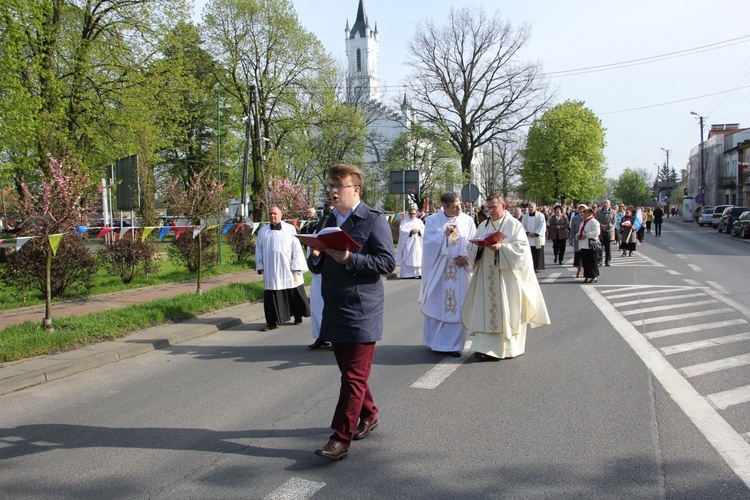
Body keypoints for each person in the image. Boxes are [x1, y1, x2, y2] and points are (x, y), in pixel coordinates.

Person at [308, 163, 395, 461]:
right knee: (350, 374)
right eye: (330, 186)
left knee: (353, 379)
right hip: (334, 307)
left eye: (338, 186)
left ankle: (340, 438)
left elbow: (386, 263)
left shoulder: (373, 220)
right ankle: (369, 413)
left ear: (355, 190)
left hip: (362, 309)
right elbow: (318, 265)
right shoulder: (328, 220)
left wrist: (349, 258)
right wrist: (315, 255)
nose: (333, 191)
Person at [461, 195, 551, 361]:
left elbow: (522, 251)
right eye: (488, 208)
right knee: (485, 310)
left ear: (503, 206)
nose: (491, 211)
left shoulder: (514, 225)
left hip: (506, 277)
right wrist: (479, 247)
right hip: (486, 275)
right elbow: (472, 248)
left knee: (506, 311)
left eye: (494, 207)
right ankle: (485, 347)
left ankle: (508, 348)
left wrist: (501, 248)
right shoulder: (483, 225)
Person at [419, 192, 476, 357]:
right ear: (445, 207)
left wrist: (467, 257)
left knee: (458, 307)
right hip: (440, 272)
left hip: (460, 270)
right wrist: (444, 234)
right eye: (455, 206)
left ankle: (454, 345)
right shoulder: (433, 220)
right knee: (437, 305)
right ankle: (434, 342)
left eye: (460, 205)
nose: (459, 209)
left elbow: (473, 242)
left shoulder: (467, 220)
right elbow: (428, 245)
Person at [255, 206, 311, 331]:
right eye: (270, 214)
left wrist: (296, 265)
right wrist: (260, 266)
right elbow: (259, 249)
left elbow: (296, 248)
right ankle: (271, 322)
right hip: (271, 269)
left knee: (293, 292)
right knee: (271, 296)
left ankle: (298, 315)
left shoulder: (290, 229)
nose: (272, 216)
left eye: (275, 213)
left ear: (281, 215)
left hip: (288, 268)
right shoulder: (263, 231)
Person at [307, 202, 335, 350]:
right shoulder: (318, 225)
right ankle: (320, 336)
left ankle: (333, 337)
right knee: (317, 305)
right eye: (326, 210)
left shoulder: (338, 225)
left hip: (332, 272)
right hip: (318, 272)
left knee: (331, 307)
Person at [394, 208, 424, 278]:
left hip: (418, 243)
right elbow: (402, 231)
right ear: (408, 213)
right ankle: (408, 274)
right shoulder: (404, 222)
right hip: (408, 244)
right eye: (411, 213)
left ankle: (419, 273)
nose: (412, 215)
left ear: (416, 214)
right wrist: (410, 231)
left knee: (419, 258)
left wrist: (419, 231)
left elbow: (424, 229)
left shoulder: (419, 222)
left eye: (414, 213)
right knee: (409, 258)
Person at [576, 207, 601, 283]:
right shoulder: (583, 222)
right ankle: (587, 275)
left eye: (585, 212)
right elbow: (580, 231)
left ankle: (594, 276)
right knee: (585, 262)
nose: (583, 214)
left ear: (589, 213)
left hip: (591, 244)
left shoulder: (594, 221)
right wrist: (578, 236)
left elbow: (596, 232)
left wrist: (586, 235)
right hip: (583, 245)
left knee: (592, 261)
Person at [521, 202, 546, 273]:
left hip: (537, 238)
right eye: (529, 207)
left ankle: (538, 266)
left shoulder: (540, 216)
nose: (530, 208)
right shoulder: (525, 216)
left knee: (538, 253)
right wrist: (527, 233)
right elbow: (523, 225)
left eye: (532, 207)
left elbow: (542, 225)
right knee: (530, 253)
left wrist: (536, 233)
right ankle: (531, 266)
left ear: (535, 207)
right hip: (529, 237)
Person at [595, 200, 616, 267]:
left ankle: (607, 261)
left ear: (610, 204)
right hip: (601, 231)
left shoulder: (613, 212)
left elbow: (613, 221)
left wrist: (607, 227)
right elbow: (596, 220)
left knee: (608, 248)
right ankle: (600, 260)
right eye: (604, 203)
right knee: (600, 247)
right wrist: (602, 226)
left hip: (609, 231)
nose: (605, 204)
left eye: (607, 203)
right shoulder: (598, 212)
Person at [568, 204, 586, 278]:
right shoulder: (575, 218)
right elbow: (572, 230)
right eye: (580, 209)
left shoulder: (588, 218)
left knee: (586, 256)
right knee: (578, 256)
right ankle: (579, 270)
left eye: (583, 209)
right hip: (578, 239)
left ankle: (586, 271)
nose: (582, 211)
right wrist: (571, 239)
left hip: (586, 239)